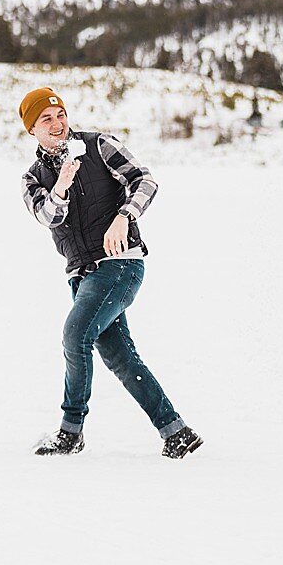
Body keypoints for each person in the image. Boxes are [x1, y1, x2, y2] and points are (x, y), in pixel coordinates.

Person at [16, 87, 202, 459]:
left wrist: (124, 215)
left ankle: (70, 432)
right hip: (82, 276)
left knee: (74, 336)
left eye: (61, 115)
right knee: (119, 356)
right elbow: (48, 217)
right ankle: (176, 431)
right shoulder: (33, 179)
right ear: (31, 129)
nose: (57, 124)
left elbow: (145, 180)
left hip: (119, 265)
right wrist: (63, 185)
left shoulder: (98, 146)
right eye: (46, 120)